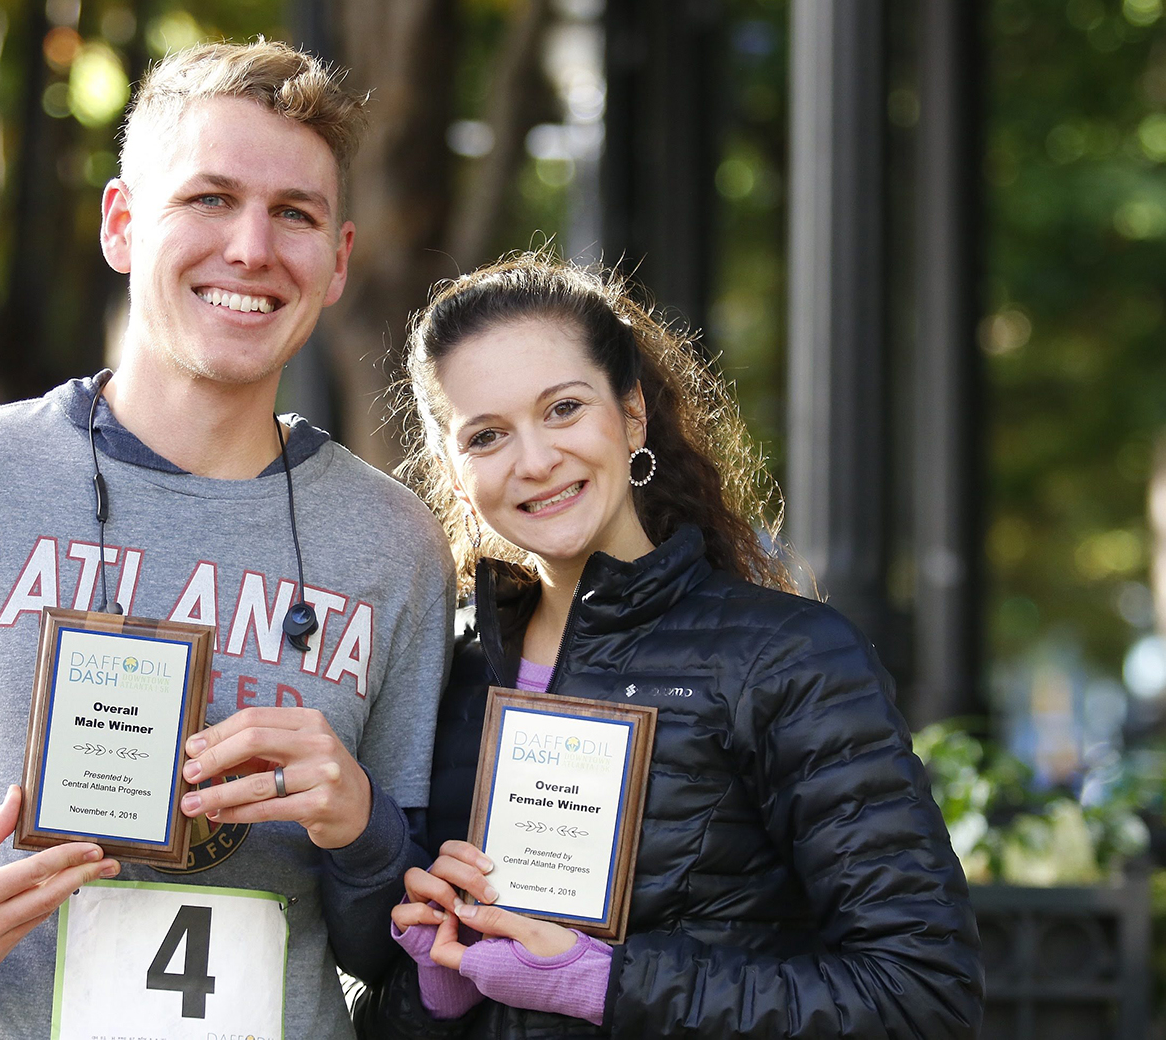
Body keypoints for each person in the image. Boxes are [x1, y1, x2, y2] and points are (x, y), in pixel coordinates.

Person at [0, 40, 455, 1039]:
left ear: (337, 261)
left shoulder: (396, 544)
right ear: (122, 224)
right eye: (209, 198)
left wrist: (362, 825)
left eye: (294, 213)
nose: (251, 247)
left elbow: (389, 950)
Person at [353, 252, 984, 1038]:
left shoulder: (788, 658)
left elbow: (923, 996)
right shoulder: (443, 670)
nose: (536, 460)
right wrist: (435, 987)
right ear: (455, 472)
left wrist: (601, 982)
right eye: (487, 435)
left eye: (563, 408)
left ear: (632, 415)